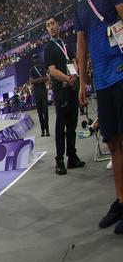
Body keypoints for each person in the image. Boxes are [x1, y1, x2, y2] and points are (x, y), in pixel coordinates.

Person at [62, 0, 123, 233]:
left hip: (121, 68)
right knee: (112, 141)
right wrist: (83, 80)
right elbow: (81, 42)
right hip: (103, 79)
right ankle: (121, 200)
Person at [44, 16, 84, 175]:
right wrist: (68, 78)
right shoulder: (49, 48)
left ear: (57, 25)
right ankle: (59, 160)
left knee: (72, 125)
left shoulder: (65, 43)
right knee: (61, 127)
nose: (51, 27)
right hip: (60, 91)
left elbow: (73, 59)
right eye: (48, 25)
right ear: (47, 29)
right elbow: (52, 70)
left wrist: (75, 74)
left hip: (72, 88)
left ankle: (72, 156)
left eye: (53, 24)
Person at [28, 54, 50, 137]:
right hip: (37, 93)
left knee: (45, 111)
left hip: (43, 92)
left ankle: (47, 130)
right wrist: (40, 79)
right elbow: (31, 81)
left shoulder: (42, 67)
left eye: (36, 58)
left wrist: (37, 80)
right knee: (40, 113)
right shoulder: (32, 70)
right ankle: (42, 130)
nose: (35, 59)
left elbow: (46, 78)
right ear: (33, 60)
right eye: (34, 58)